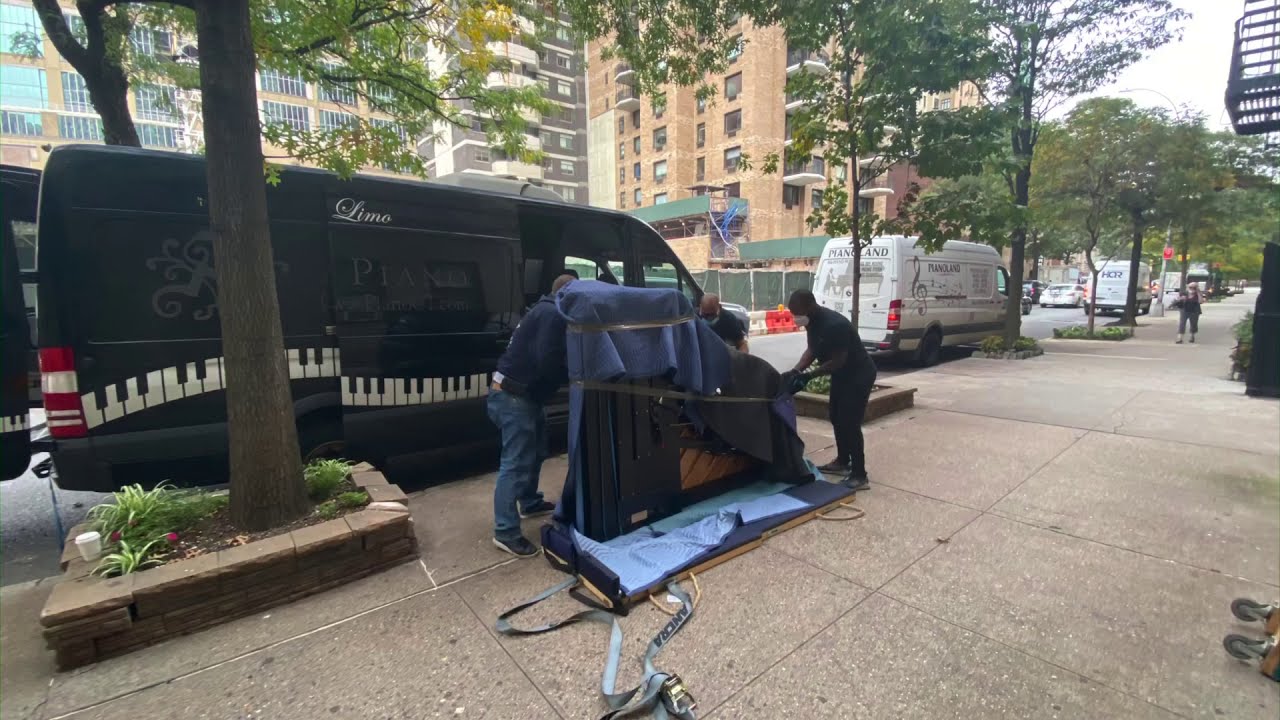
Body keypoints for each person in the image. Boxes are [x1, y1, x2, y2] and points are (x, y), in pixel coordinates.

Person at [487, 274, 576, 557]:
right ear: (568, 293)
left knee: (536, 451)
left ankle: (529, 501)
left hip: (522, 395)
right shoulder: (552, 314)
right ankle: (505, 532)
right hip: (514, 397)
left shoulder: (543, 308)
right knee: (514, 464)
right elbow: (547, 358)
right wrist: (575, 376)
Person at [781, 289, 877, 491]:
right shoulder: (812, 323)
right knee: (835, 416)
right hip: (843, 376)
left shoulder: (834, 325)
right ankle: (842, 461)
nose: (795, 318)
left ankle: (860, 475)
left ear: (809, 305)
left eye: (797, 313)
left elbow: (838, 361)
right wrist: (796, 370)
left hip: (859, 375)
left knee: (849, 423)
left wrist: (809, 376)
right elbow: (812, 350)